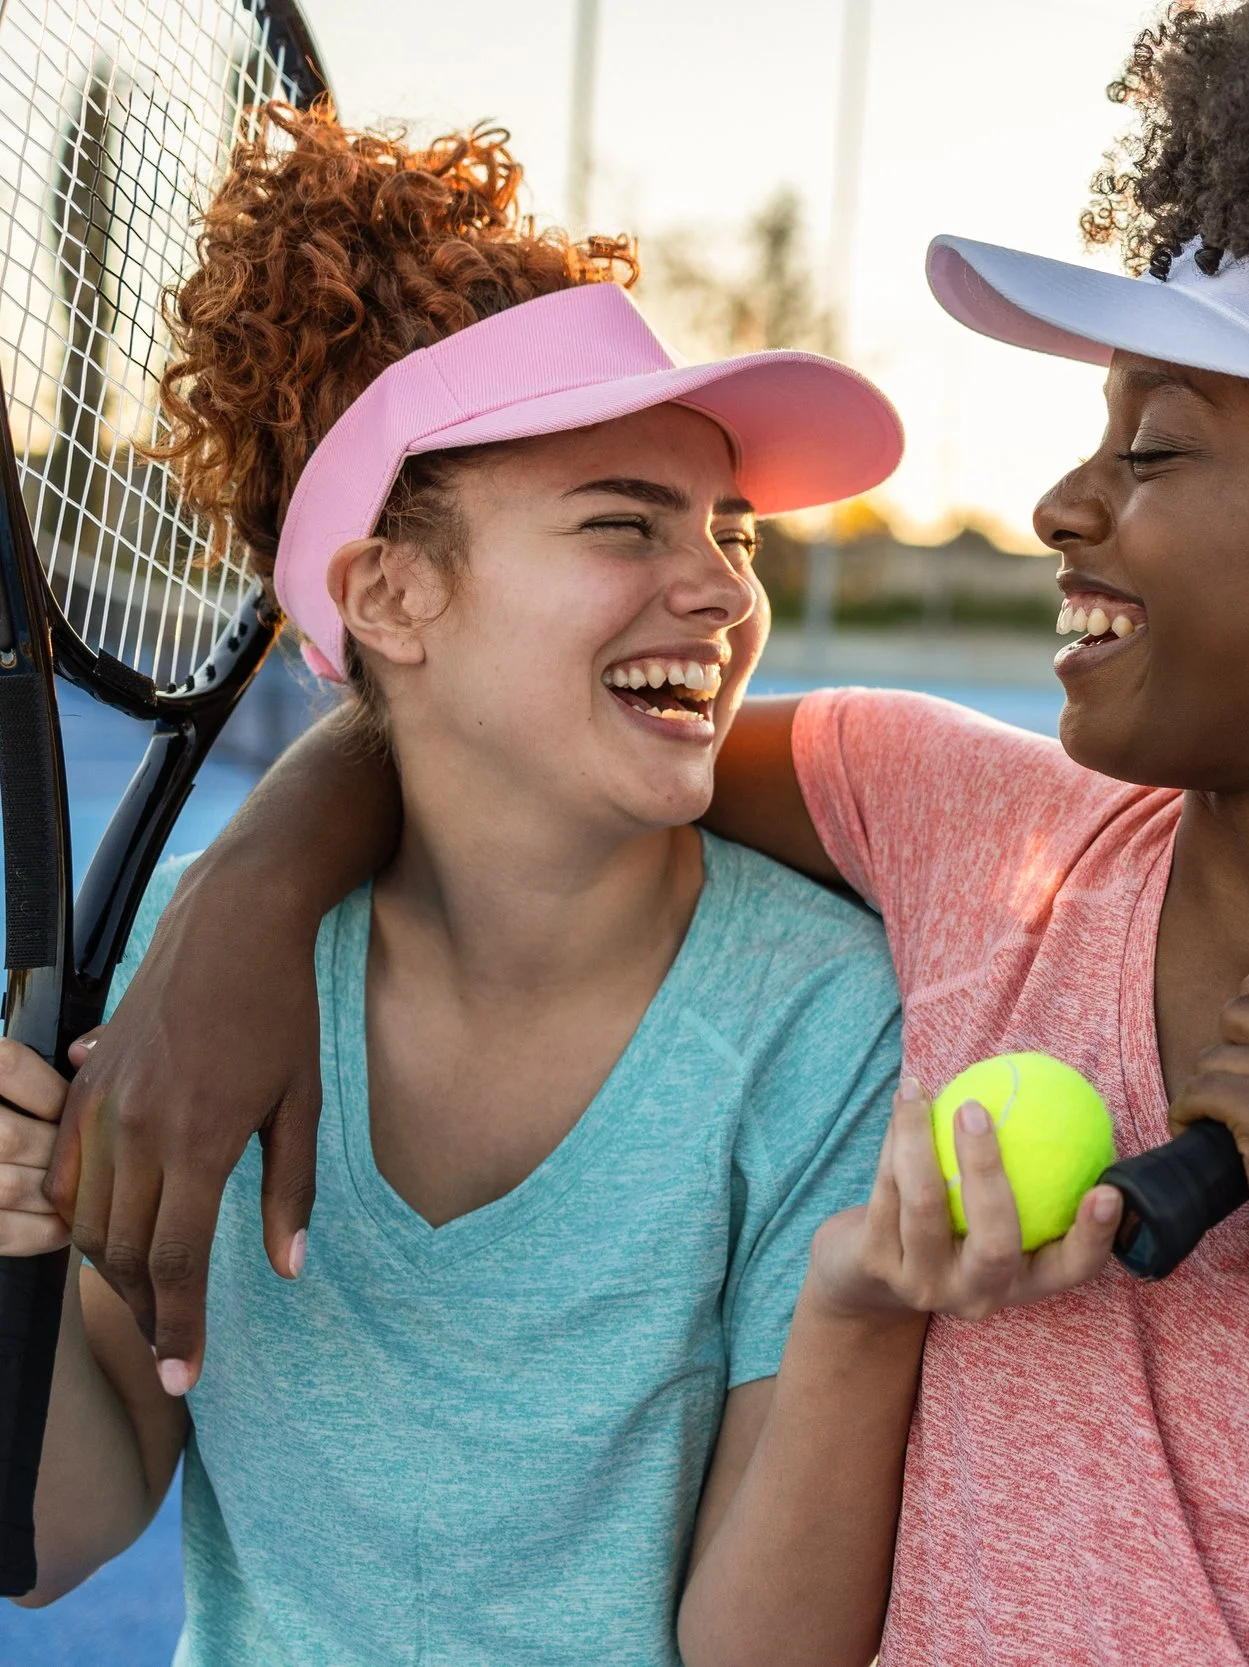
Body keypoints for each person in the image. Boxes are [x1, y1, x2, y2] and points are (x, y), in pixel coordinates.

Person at [55, 5, 1249, 1663]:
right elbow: (497, 746)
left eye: (1156, 448)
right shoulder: (949, 822)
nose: (1060, 500)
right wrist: (238, 918)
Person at [0, 109, 925, 1664]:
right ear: (396, 596)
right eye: (625, 521)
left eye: (730, 530)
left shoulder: (821, 1019)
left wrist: (862, 1306)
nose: (719, 585)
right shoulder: (202, 983)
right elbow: (54, 1531)